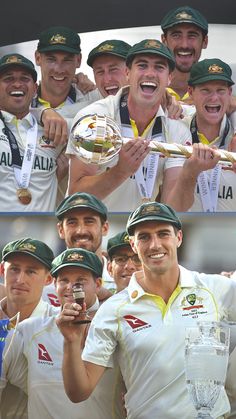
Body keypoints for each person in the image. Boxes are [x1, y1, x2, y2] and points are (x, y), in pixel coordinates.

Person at [57, 201, 236, 419]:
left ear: (178, 238)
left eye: (163, 234)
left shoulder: (215, 288)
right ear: (133, 244)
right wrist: (71, 341)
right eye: (144, 237)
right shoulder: (114, 309)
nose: (154, 245)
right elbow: (79, 392)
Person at [66, 39, 191, 212]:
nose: (150, 73)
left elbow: (172, 209)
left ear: (169, 78)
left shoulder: (177, 130)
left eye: (159, 67)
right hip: (95, 232)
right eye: (142, 65)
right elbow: (75, 197)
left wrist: (191, 174)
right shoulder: (95, 118)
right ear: (127, 73)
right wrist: (121, 171)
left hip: (143, 234)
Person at [0, 247, 125, 419]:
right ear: (54, 284)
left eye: (80, 280)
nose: (71, 287)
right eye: (64, 280)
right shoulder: (28, 329)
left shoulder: (116, 326)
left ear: (98, 284)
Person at [33, 26, 102, 204]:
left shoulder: (94, 99)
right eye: (51, 59)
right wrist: (42, 112)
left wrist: (166, 97)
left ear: (78, 61)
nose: (59, 68)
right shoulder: (21, 101)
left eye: (67, 60)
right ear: (38, 58)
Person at [161, 58, 236, 212]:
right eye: (205, 90)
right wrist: (190, 173)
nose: (214, 97)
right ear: (191, 92)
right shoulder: (175, 130)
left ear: (229, 93)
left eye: (220, 90)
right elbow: (170, 211)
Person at [0, 237, 57, 419]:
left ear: (48, 279)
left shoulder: (60, 325)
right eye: (14, 269)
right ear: (2, 270)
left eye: (31, 271)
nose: (20, 279)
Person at [0, 53, 65, 212]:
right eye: (8, 79)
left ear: (35, 88)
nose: (17, 84)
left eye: (24, 79)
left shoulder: (55, 127)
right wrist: (43, 111)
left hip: (41, 235)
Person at [42, 191, 115, 306]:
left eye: (89, 221)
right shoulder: (43, 286)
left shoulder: (121, 280)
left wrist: (112, 299)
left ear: (104, 228)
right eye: (72, 222)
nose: (81, 231)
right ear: (61, 230)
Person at [161, 5, 208, 102]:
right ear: (164, 40)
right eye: (176, 35)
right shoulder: (146, 90)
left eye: (192, 35)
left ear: (205, 41)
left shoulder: (219, 95)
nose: (184, 45)